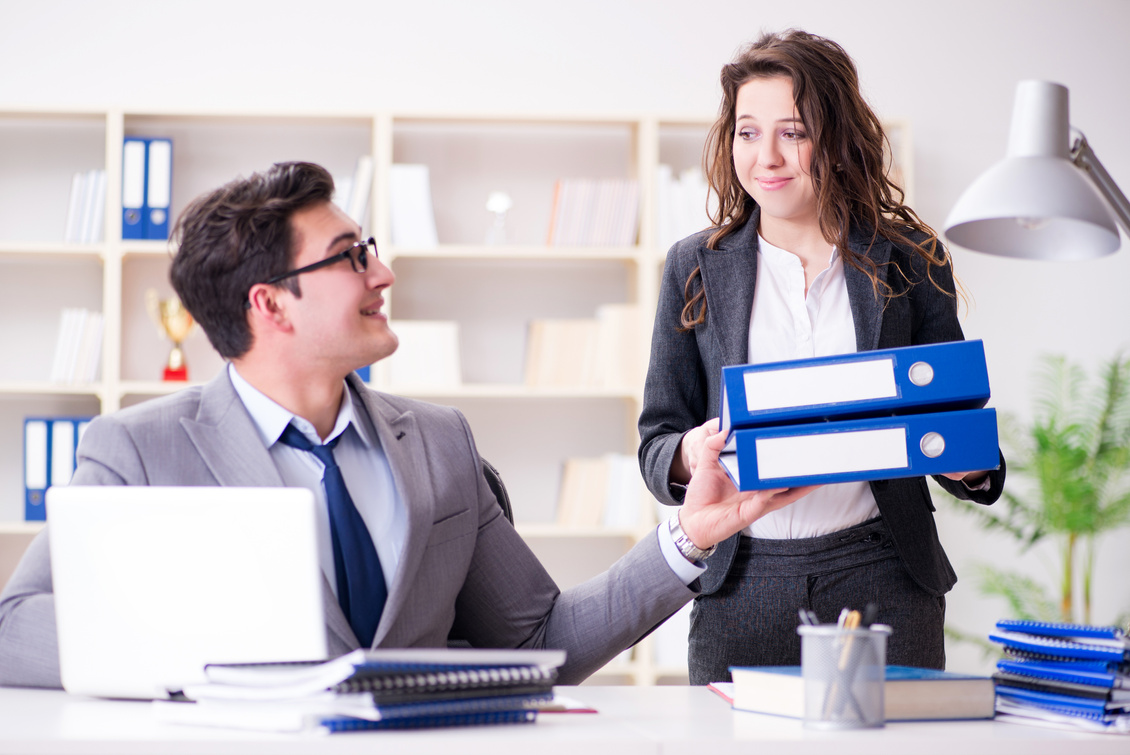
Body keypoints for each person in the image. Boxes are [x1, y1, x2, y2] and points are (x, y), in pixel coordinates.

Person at [0, 161, 814, 690]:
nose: (383, 272)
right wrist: (217, 657)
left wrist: (689, 535)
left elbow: (539, 637)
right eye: (351, 255)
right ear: (269, 302)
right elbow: (14, 633)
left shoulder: (438, 440)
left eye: (372, 248)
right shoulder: (139, 448)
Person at [637, 30, 1006, 685]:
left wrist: (973, 468)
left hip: (883, 573)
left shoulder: (912, 256)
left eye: (794, 131)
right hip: (740, 581)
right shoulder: (693, 266)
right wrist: (694, 451)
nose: (767, 156)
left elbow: (955, 421)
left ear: (834, 139)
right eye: (748, 133)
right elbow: (656, 441)